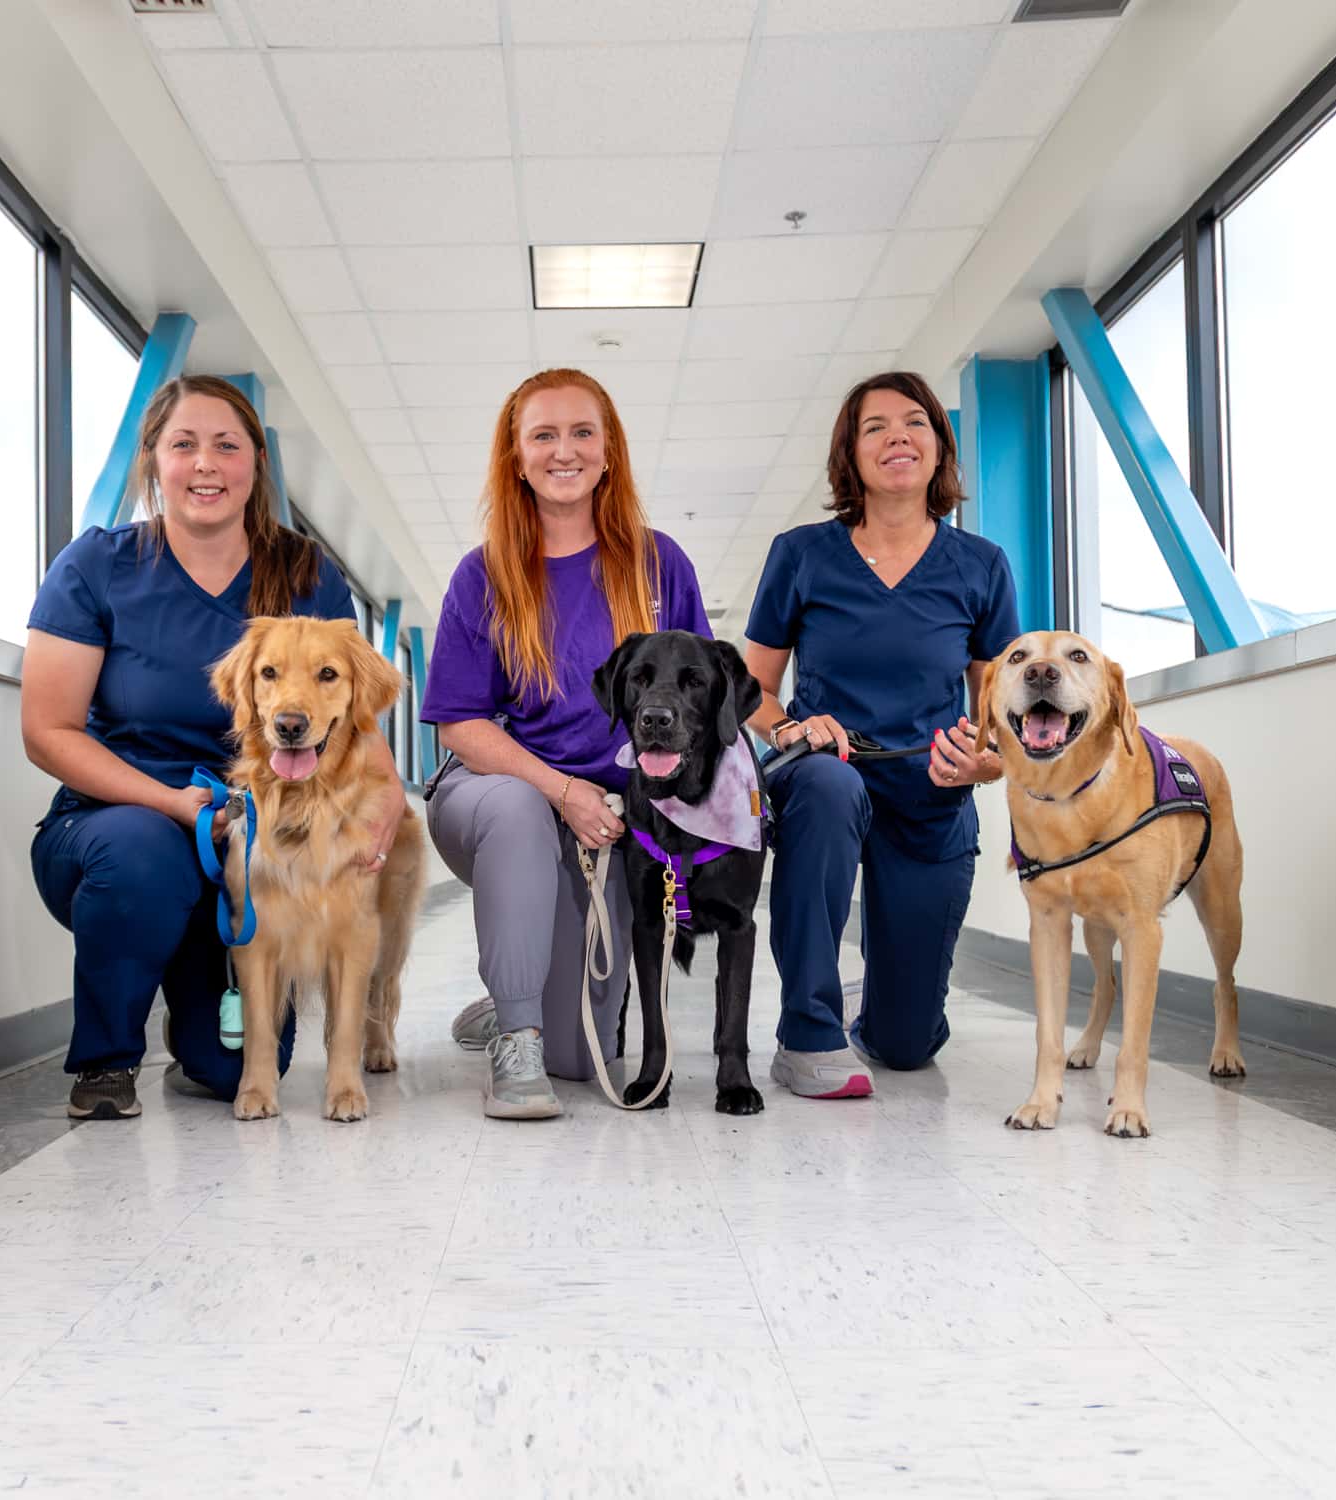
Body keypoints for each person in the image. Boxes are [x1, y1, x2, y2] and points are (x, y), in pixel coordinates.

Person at [21, 375, 405, 1120]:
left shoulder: (306, 573)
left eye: (227, 446)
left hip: (264, 845)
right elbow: (47, 730)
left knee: (235, 1074)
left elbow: (351, 715)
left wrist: (385, 805)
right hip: (118, 821)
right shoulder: (98, 566)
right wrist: (168, 801)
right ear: (153, 461)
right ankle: (105, 1061)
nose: (206, 464)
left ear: (254, 465)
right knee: (141, 855)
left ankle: (192, 1002)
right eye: (183, 445)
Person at [421, 368, 710, 1120]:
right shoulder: (482, 574)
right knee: (519, 810)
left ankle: (514, 998)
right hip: (497, 797)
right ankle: (515, 1032)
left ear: (609, 451)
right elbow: (462, 724)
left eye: (583, 432)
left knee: (582, 1060)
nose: (564, 451)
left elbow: (701, 703)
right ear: (515, 458)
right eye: (542, 435)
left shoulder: (658, 565)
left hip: (609, 820)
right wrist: (565, 791)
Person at [741, 371, 1019, 1099]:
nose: (897, 435)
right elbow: (750, 692)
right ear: (851, 455)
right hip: (825, 778)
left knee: (907, 1047)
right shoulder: (801, 554)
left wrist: (985, 766)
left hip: (931, 795)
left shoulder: (982, 566)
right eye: (875, 427)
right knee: (830, 786)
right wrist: (794, 726)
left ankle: (878, 1006)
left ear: (938, 447)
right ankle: (806, 1032)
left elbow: (1001, 713)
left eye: (915, 422)